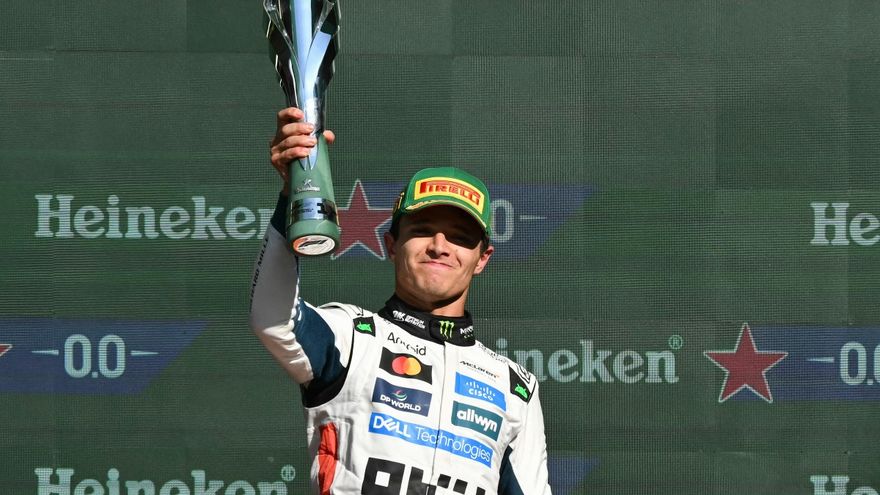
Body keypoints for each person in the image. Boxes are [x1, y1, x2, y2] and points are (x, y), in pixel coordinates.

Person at [250, 107, 552, 495]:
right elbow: (274, 319)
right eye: (423, 230)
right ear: (392, 245)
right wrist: (293, 191)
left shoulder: (515, 387)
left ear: (482, 259)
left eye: (460, 237)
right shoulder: (352, 336)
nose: (440, 246)